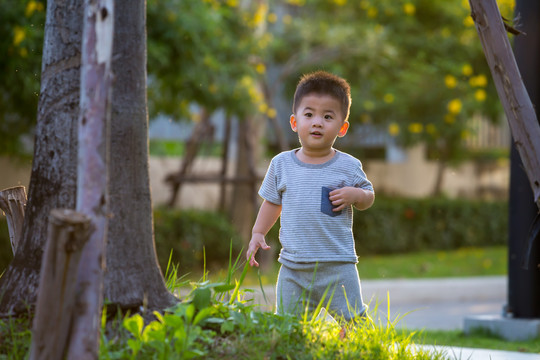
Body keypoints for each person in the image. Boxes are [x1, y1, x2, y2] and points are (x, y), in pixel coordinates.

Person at [246, 71, 375, 322]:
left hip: (337, 266)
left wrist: (356, 194)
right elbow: (272, 202)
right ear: (295, 122)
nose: (317, 122)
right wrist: (257, 233)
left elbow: (369, 196)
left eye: (328, 116)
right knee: (288, 326)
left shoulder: (348, 166)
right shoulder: (281, 164)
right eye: (309, 114)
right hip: (293, 268)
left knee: (354, 321)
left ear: (342, 127)